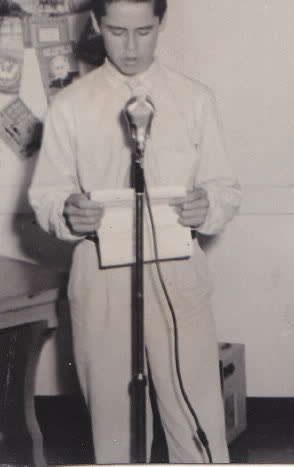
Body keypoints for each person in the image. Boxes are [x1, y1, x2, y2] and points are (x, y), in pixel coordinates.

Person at [28, 0, 241, 462]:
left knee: (196, 412)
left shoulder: (195, 98)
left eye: (144, 32)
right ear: (96, 25)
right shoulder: (71, 106)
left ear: (161, 24)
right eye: (117, 32)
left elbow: (224, 187)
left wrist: (208, 205)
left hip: (178, 271)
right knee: (115, 424)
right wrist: (66, 211)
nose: (130, 47)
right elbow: (46, 194)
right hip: (100, 271)